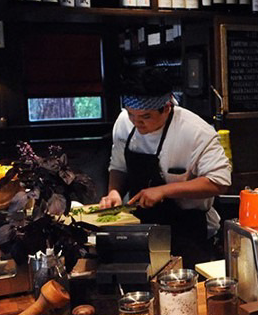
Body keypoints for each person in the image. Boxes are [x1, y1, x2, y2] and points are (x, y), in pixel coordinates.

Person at [99, 68, 231, 268]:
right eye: (131, 114)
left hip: (187, 230)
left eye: (145, 116)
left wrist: (164, 191)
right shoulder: (124, 122)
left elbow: (219, 182)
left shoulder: (196, 132)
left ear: (167, 107)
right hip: (139, 227)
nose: (137, 122)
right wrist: (114, 192)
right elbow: (119, 166)